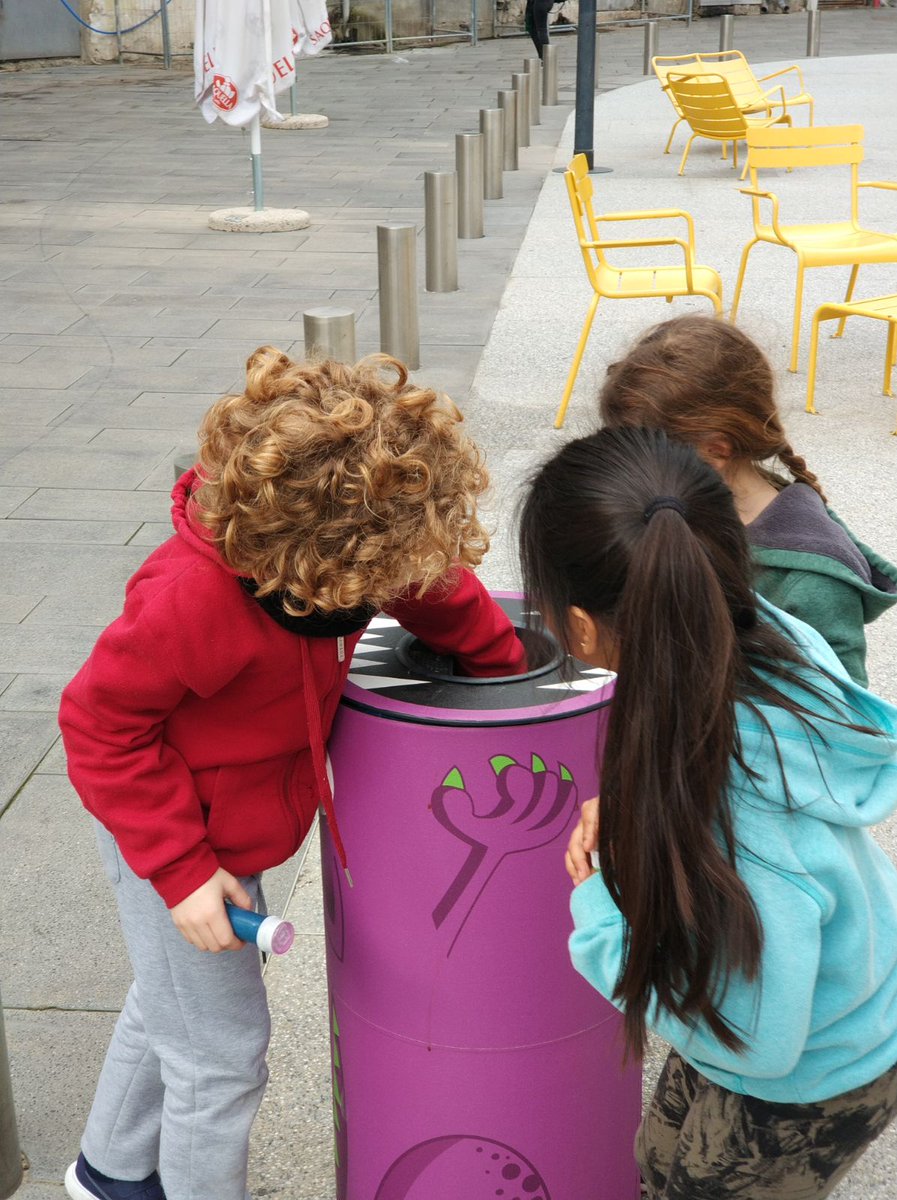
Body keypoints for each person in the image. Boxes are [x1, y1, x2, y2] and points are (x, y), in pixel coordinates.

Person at [58, 349, 526, 1200]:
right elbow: (98, 725)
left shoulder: (345, 549)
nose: (387, 589)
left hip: (226, 824)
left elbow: (431, 588)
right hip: (168, 823)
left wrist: (507, 668)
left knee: (175, 1005)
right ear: (310, 553)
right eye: (371, 578)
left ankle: (110, 1173)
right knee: (222, 1058)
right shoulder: (191, 600)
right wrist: (182, 872)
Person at [518, 425, 897, 1200]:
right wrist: (629, 804)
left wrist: (600, 908)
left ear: (583, 629)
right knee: (660, 1164)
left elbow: (755, 1040)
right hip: (823, 990)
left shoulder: (730, 816)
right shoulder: (753, 634)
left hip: (813, 1067)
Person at [599, 315, 897, 687]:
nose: (631, 472)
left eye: (644, 457)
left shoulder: (812, 584)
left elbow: (845, 719)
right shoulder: (680, 510)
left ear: (714, 452)